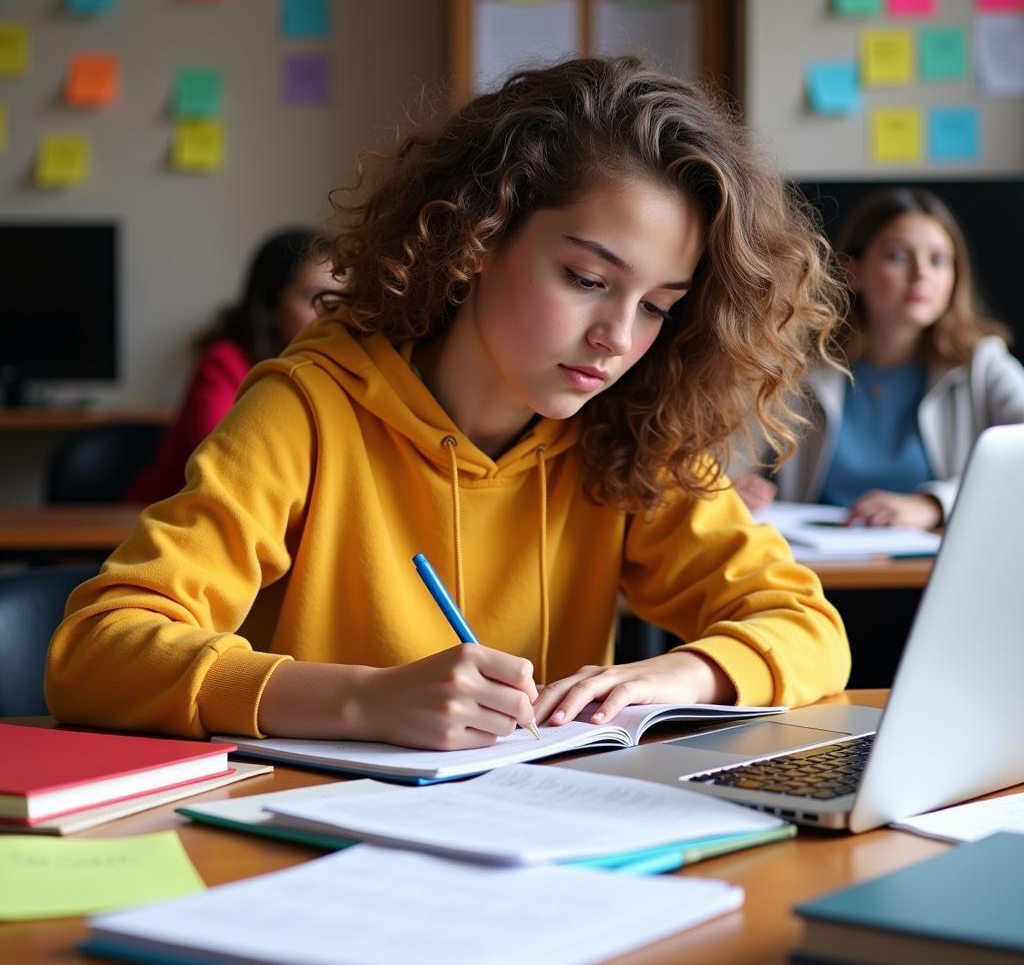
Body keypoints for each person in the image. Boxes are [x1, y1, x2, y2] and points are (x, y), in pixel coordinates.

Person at [47, 57, 851, 750]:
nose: (617, 336)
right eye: (587, 279)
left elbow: (810, 630)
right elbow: (97, 651)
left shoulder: (628, 430)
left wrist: (688, 673)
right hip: (302, 852)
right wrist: (362, 700)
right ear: (479, 237)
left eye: (656, 305)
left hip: (532, 853)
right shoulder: (310, 407)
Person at [734, 187, 1024, 528]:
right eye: (898, 257)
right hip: (819, 567)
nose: (922, 276)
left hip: (932, 570)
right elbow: (730, 455)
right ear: (853, 272)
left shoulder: (983, 364)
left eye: (938, 260)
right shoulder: (798, 364)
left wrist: (934, 504)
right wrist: (734, 489)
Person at [125, 228, 337, 505]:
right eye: (313, 297)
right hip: (171, 523)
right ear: (271, 306)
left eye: (339, 298)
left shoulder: (329, 371)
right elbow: (228, 465)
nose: (330, 312)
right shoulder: (224, 361)